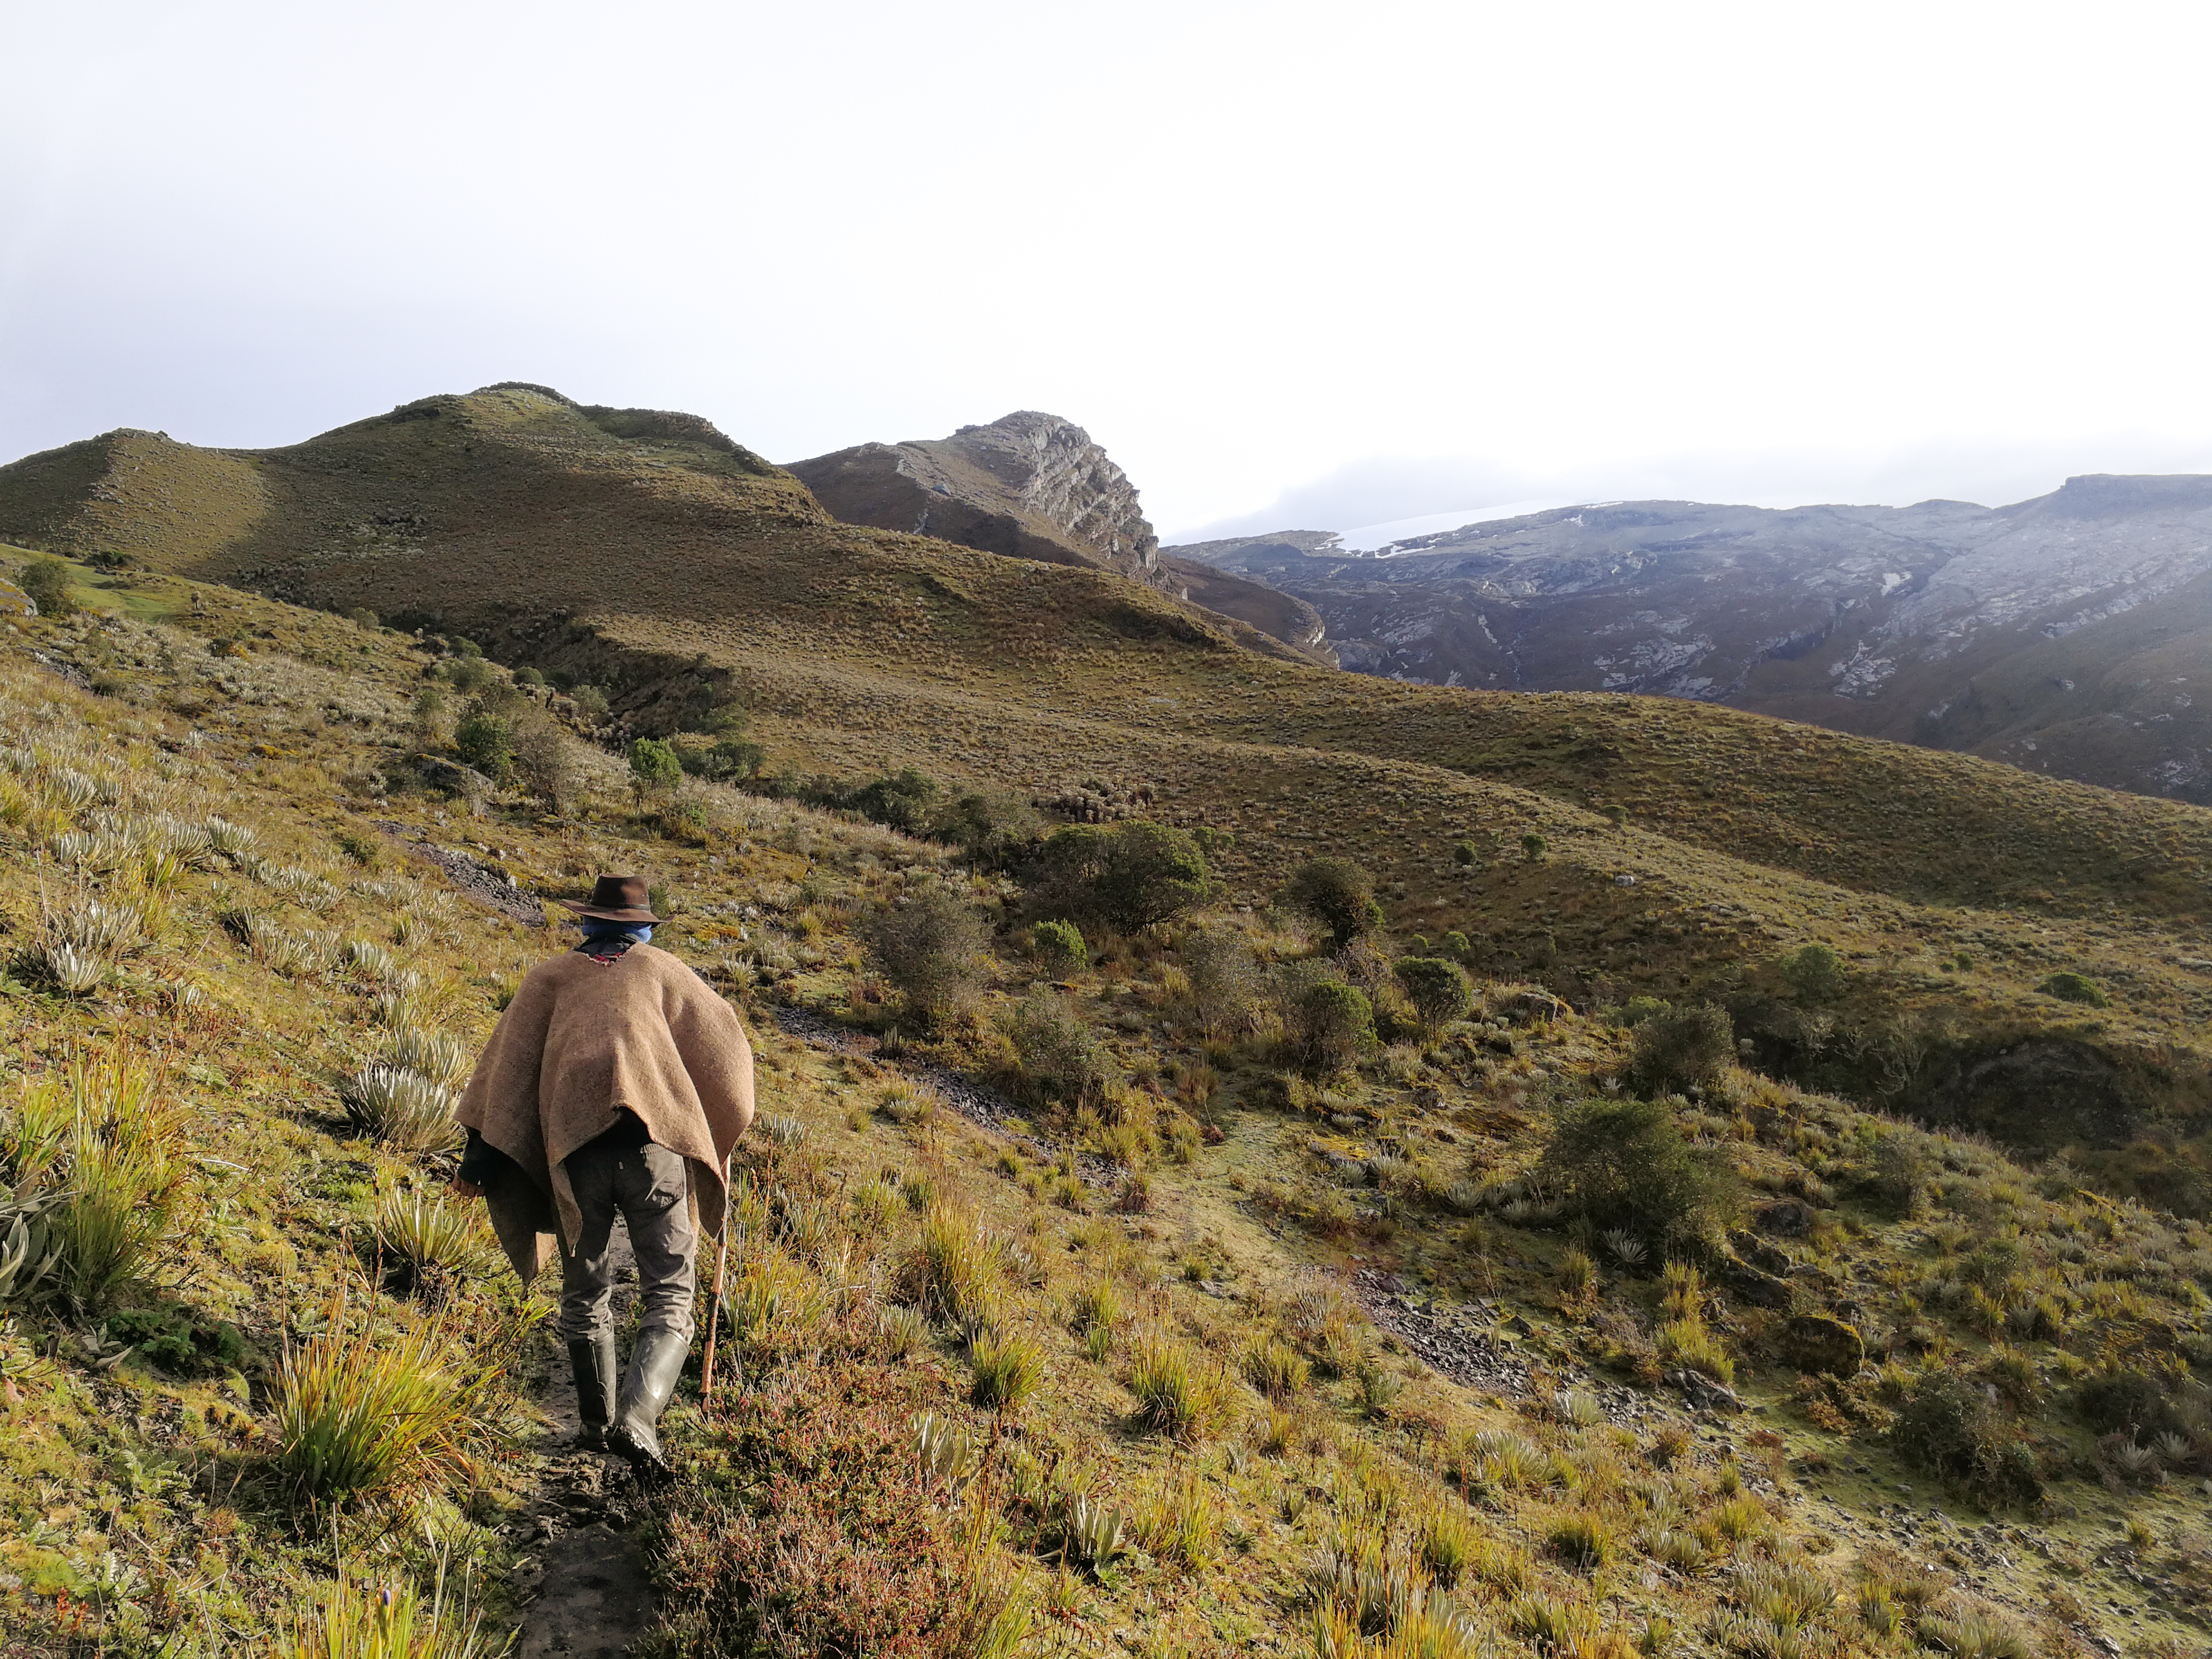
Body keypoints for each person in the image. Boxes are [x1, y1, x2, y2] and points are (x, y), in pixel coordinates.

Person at [450, 874, 753, 1473]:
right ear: (642, 927)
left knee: (584, 1290)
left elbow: (502, 1080)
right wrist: (719, 1128)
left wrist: (474, 1168)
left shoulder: (550, 978)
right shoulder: (665, 972)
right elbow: (726, 1055)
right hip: (654, 1154)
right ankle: (638, 1420)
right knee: (668, 1290)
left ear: (588, 922)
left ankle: (594, 1426)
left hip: (574, 1157)